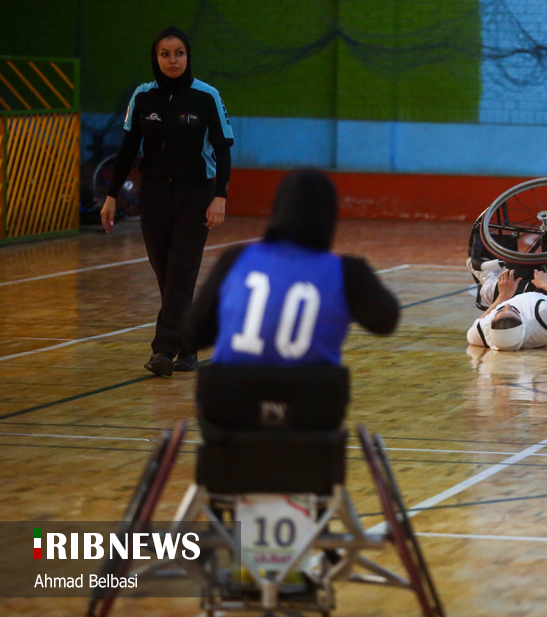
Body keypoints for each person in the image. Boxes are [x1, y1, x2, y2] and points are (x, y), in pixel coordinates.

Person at [101, 26, 234, 377]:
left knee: (181, 272)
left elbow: (223, 150)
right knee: (166, 275)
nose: (172, 60)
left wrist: (220, 195)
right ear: (155, 58)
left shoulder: (207, 97)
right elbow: (128, 149)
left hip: (196, 196)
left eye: (179, 53)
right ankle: (188, 347)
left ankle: (163, 350)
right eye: (165, 54)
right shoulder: (142, 97)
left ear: (188, 56)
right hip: (156, 195)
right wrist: (111, 196)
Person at [182, 169, 399, 364]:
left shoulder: (235, 259)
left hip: (232, 399)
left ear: (278, 209)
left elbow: (194, 333)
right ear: (330, 216)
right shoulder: (348, 272)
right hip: (306, 400)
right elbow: (386, 322)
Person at [466, 269, 547, 351]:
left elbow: (476, 325)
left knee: (498, 284)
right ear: (523, 322)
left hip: (525, 298)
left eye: (500, 310)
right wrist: (546, 284)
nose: (507, 305)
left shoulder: (484, 333)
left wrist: (502, 297)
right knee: (521, 273)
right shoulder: (543, 314)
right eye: (513, 310)